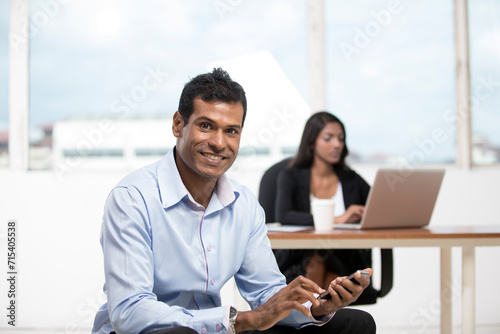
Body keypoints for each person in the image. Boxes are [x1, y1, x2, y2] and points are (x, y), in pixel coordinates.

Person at [91, 69, 376, 334]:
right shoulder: (132, 198)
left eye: (231, 131)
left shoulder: (243, 205)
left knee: (354, 323)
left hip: (222, 328)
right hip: (157, 331)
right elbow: (129, 311)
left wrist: (315, 307)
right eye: (206, 126)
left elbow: (266, 294)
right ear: (179, 124)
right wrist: (240, 320)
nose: (219, 143)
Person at [274, 112, 374, 297]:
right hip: (302, 259)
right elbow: (284, 215)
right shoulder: (291, 176)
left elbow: (378, 205)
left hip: (345, 257)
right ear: (311, 142)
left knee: (332, 274)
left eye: (340, 139)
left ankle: (312, 318)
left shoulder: (351, 179)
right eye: (328, 138)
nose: (337, 144)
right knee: (321, 263)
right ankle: (322, 316)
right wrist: (339, 219)